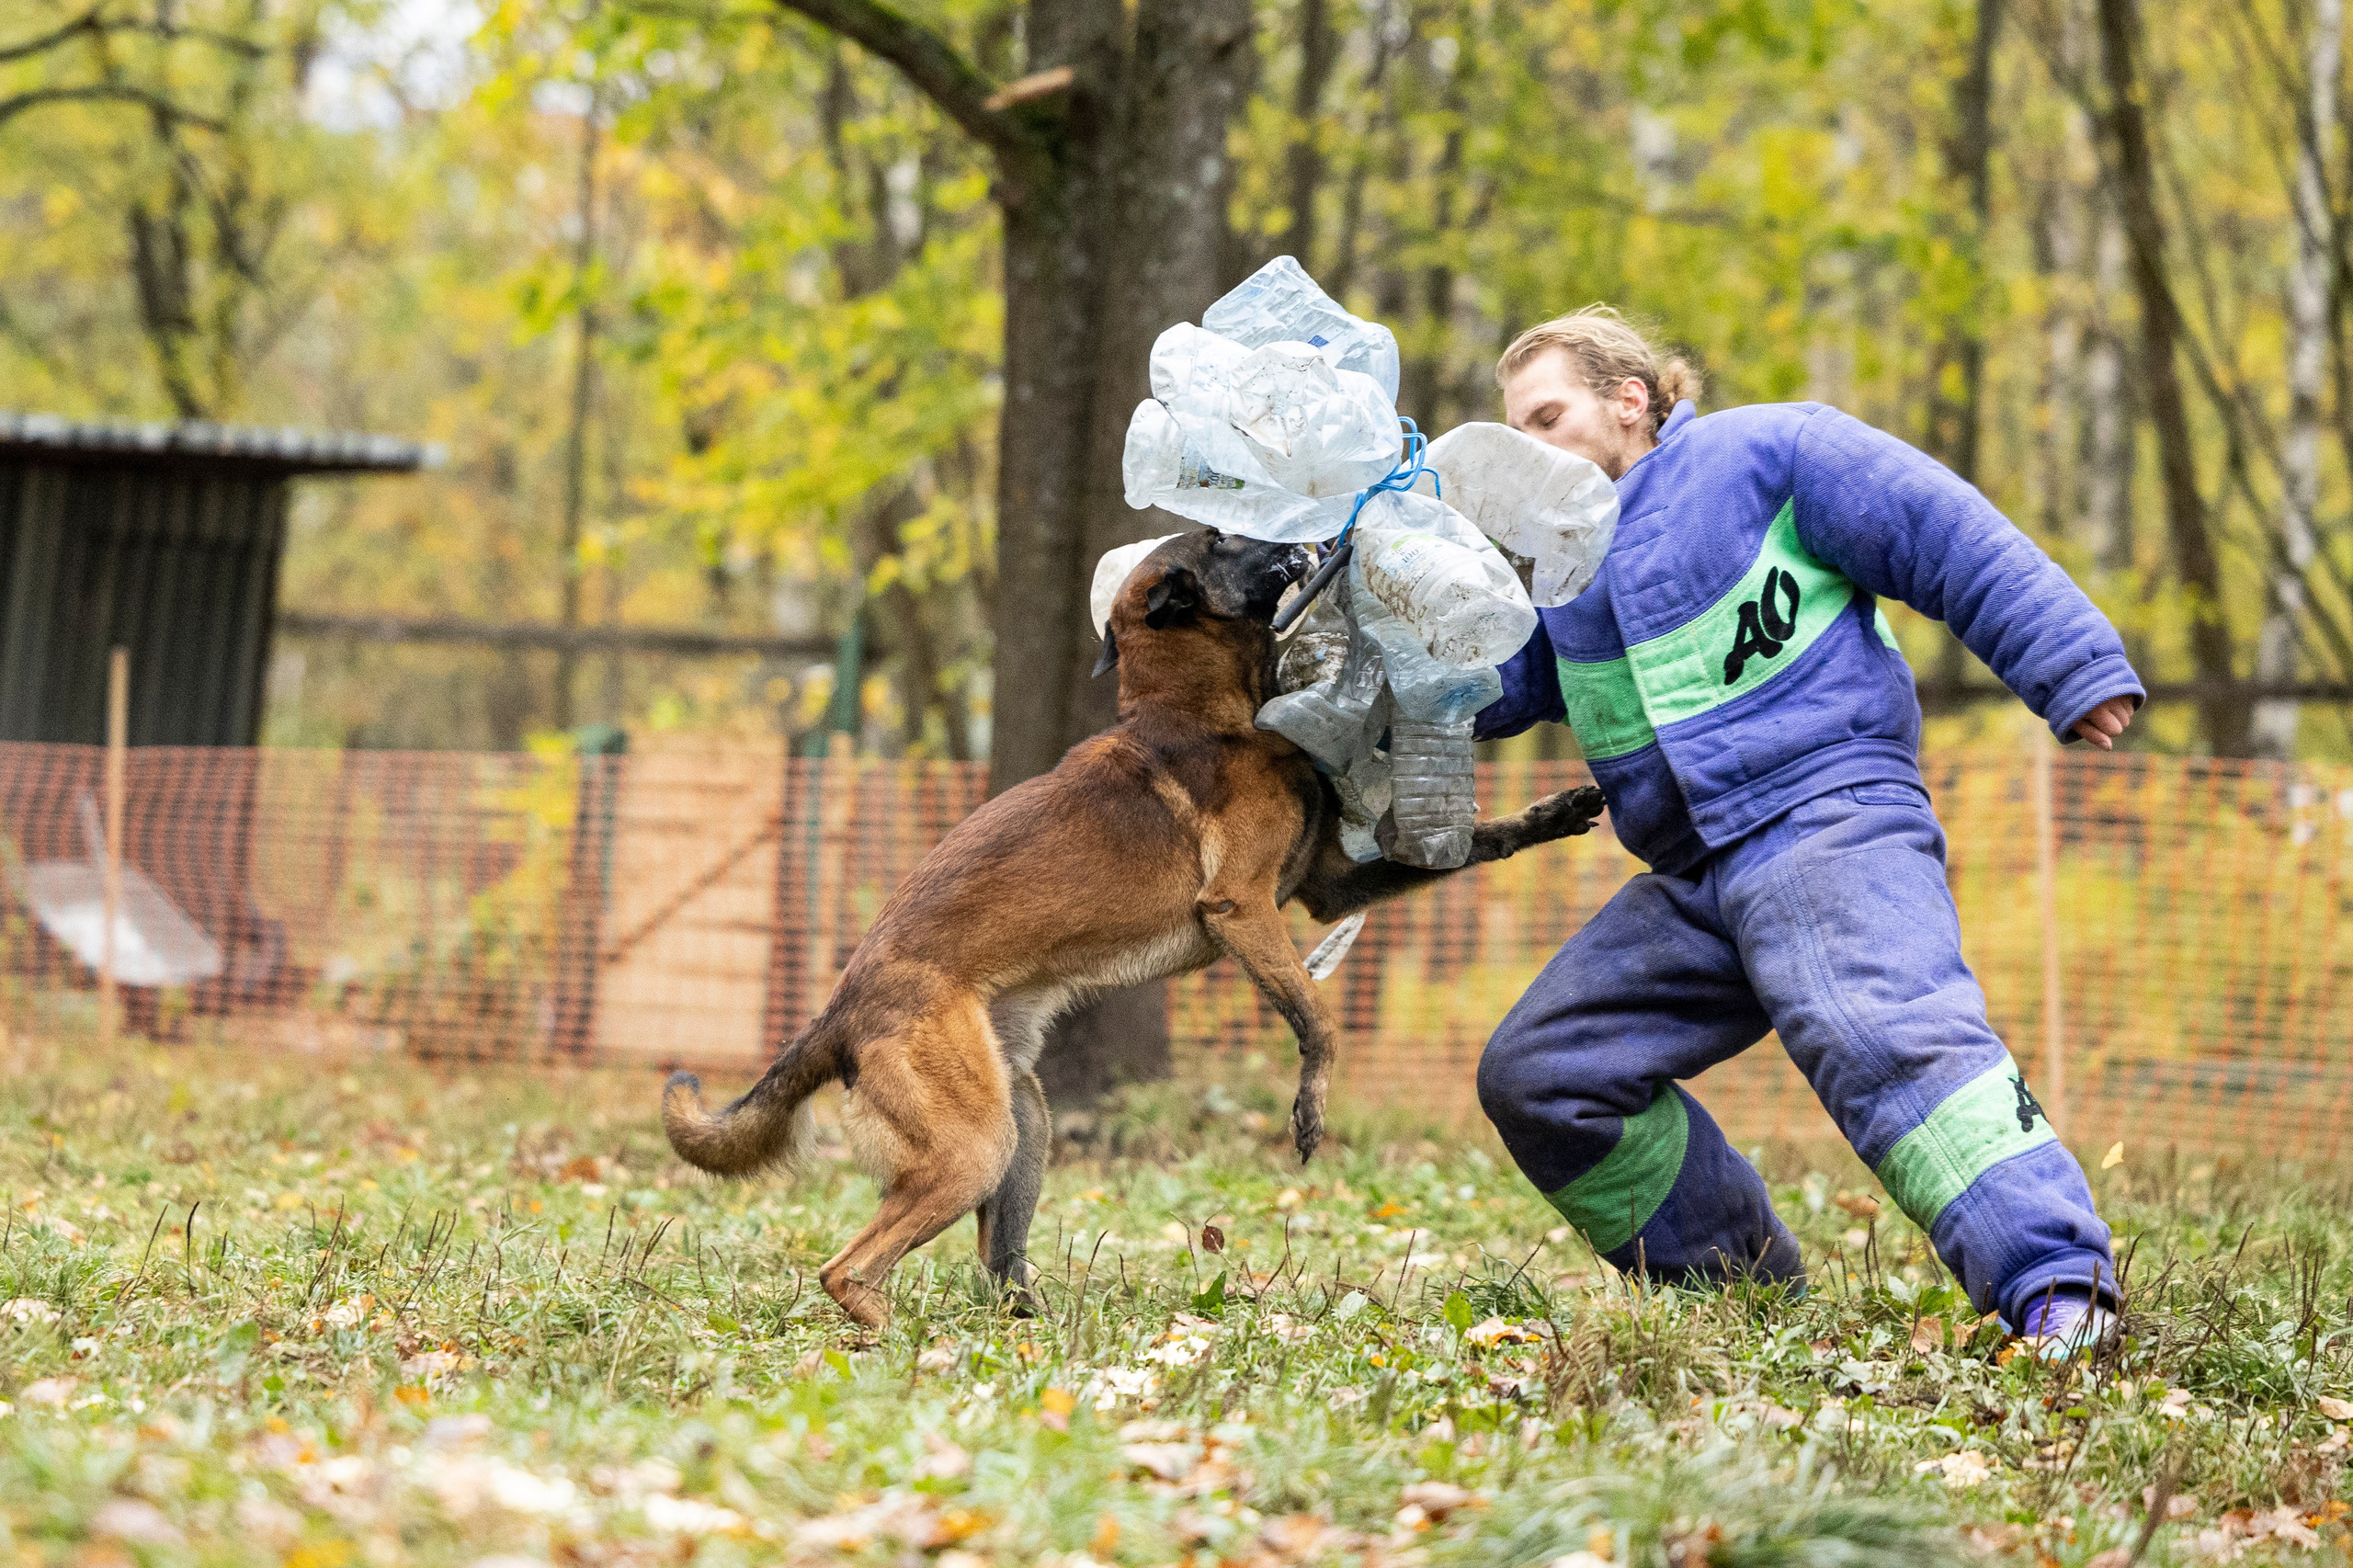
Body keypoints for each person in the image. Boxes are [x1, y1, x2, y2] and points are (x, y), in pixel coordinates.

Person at [1472, 306, 2136, 1358]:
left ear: (1629, 399)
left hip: (1828, 816)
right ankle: (1741, 1293)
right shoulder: (1557, 573)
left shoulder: (1766, 452)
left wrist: (2072, 664)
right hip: (1695, 877)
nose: (1528, 448)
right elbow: (1482, 692)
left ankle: (2058, 1288)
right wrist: (1376, 615)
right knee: (1544, 1072)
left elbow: (1941, 530)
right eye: (1514, 431)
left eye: (1545, 416)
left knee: (1880, 1031)